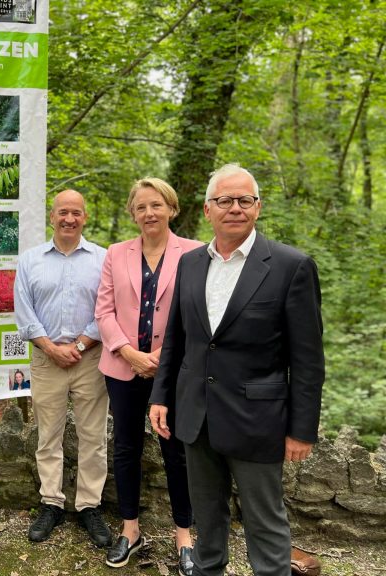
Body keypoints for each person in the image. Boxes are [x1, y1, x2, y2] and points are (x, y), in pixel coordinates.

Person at [149, 164, 325, 576]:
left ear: (258, 207)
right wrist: (161, 396)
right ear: (208, 209)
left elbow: (308, 360)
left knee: (265, 524)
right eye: (224, 200)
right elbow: (177, 338)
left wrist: (302, 429)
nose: (235, 208)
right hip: (196, 415)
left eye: (245, 200)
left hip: (257, 420)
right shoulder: (190, 263)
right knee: (207, 520)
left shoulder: (291, 266)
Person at [95, 178, 201, 573]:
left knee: (176, 451)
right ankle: (130, 529)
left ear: (171, 208)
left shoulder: (193, 252)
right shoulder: (115, 253)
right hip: (123, 368)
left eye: (156, 205)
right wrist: (128, 352)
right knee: (126, 449)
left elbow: (197, 312)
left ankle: (184, 536)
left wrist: (161, 357)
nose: (149, 213)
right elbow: (103, 311)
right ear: (132, 213)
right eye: (141, 207)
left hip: (172, 372)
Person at [14, 189, 112, 548]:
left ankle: (89, 505)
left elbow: (108, 310)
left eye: (76, 212)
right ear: (51, 217)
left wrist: (81, 344)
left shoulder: (104, 259)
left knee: (93, 438)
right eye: (62, 212)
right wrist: (51, 348)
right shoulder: (30, 260)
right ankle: (51, 502)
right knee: (48, 436)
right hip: (45, 358)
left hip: (91, 359)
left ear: (85, 217)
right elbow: (23, 311)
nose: (69, 218)